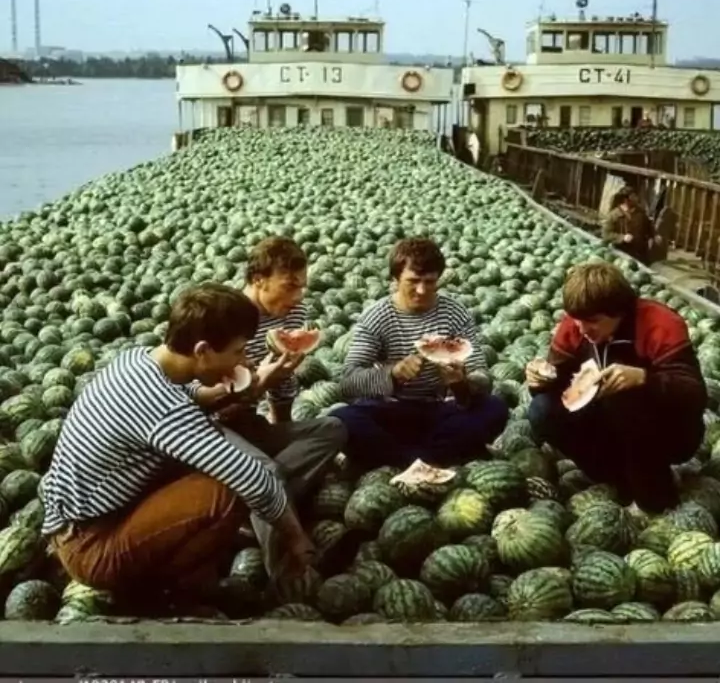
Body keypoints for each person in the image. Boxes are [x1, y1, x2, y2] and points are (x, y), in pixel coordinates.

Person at [41, 282, 314, 615]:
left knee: (202, 462)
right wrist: (297, 539)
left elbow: (184, 401)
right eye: (238, 352)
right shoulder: (164, 410)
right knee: (227, 491)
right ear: (202, 351)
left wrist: (244, 388)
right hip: (91, 547)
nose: (244, 360)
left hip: (72, 522)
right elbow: (253, 478)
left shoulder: (137, 360)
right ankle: (164, 592)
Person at [197, 236, 355, 576]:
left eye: (302, 286)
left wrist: (277, 425)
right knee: (267, 474)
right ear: (258, 280)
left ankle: (251, 508)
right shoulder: (224, 315)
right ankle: (287, 572)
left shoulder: (294, 311)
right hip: (211, 428)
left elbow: (282, 386)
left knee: (334, 428)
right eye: (290, 286)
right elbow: (199, 403)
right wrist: (259, 383)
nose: (298, 296)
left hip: (251, 422)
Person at [526, 262, 706, 514]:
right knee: (541, 410)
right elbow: (558, 386)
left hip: (671, 431)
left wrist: (645, 379)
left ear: (620, 311)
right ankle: (615, 477)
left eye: (593, 321)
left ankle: (654, 496)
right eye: (577, 320)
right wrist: (540, 380)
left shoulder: (660, 324)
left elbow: (694, 394)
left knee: (626, 398)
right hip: (608, 424)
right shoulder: (575, 325)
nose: (583, 329)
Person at [333, 237, 509, 470]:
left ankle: (404, 460)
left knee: (495, 408)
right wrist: (392, 374)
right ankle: (433, 459)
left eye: (429, 282)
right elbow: (348, 383)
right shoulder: (377, 316)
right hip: (390, 410)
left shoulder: (454, 313)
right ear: (395, 279)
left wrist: (461, 384)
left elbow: (482, 377)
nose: (421, 290)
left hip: (440, 410)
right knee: (342, 419)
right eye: (413, 281)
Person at [602, 185, 657, 265]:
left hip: (640, 254)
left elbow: (648, 228)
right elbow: (606, 234)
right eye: (633, 196)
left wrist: (654, 237)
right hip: (621, 254)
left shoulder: (641, 214)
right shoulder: (613, 215)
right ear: (626, 200)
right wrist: (622, 237)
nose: (637, 198)